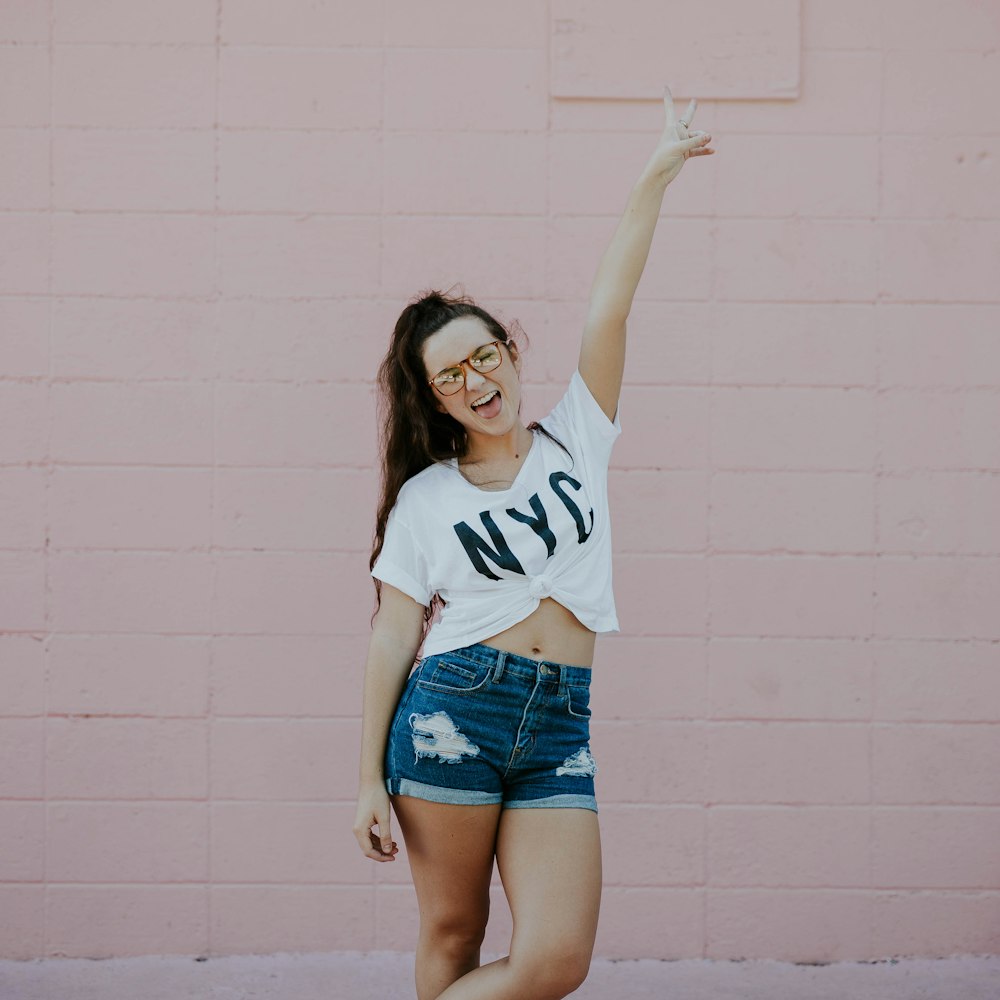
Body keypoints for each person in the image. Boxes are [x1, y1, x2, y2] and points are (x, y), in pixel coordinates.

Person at [353, 85, 715, 1000]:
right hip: (452, 711)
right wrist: (364, 780)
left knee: (555, 958)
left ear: (511, 355)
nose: (475, 379)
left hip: (560, 721)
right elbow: (393, 636)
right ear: (437, 401)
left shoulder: (576, 437)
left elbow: (609, 308)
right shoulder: (426, 501)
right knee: (453, 927)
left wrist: (656, 174)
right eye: (450, 376)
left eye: (484, 356)